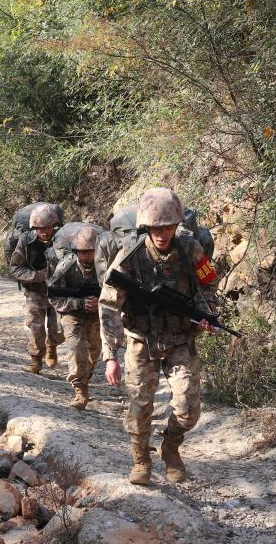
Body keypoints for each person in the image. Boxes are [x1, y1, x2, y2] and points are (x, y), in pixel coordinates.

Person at [99, 188, 219, 486]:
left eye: (167, 227)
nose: (162, 234)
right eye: (155, 228)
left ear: (177, 225)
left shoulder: (190, 249)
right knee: (139, 406)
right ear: (145, 227)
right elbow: (109, 304)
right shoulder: (130, 254)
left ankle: (171, 447)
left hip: (179, 337)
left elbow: (208, 284)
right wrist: (110, 355)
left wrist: (205, 313)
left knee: (188, 409)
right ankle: (141, 459)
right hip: (141, 338)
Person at [48, 226, 101, 409]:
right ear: (76, 251)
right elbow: (54, 297)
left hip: (97, 315)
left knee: (94, 350)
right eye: (82, 252)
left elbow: (118, 293)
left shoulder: (105, 267)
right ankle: (80, 390)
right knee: (77, 348)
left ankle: (85, 376)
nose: (86, 256)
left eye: (90, 251)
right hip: (71, 314)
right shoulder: (65, 268)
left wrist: (101, 303)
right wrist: (79, 303)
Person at [9, 203, 64, 374]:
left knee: (59, 329)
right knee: (35, 327)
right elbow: (15, 268)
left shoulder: (63, 239)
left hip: (59, 291)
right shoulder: (25, 241)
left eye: (48, 227)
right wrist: (37, 275)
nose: (45, 231)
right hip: (35, 291)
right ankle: (36, 359)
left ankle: (52, 346)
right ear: (34, 228)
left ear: (54, 225)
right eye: (40, 228)